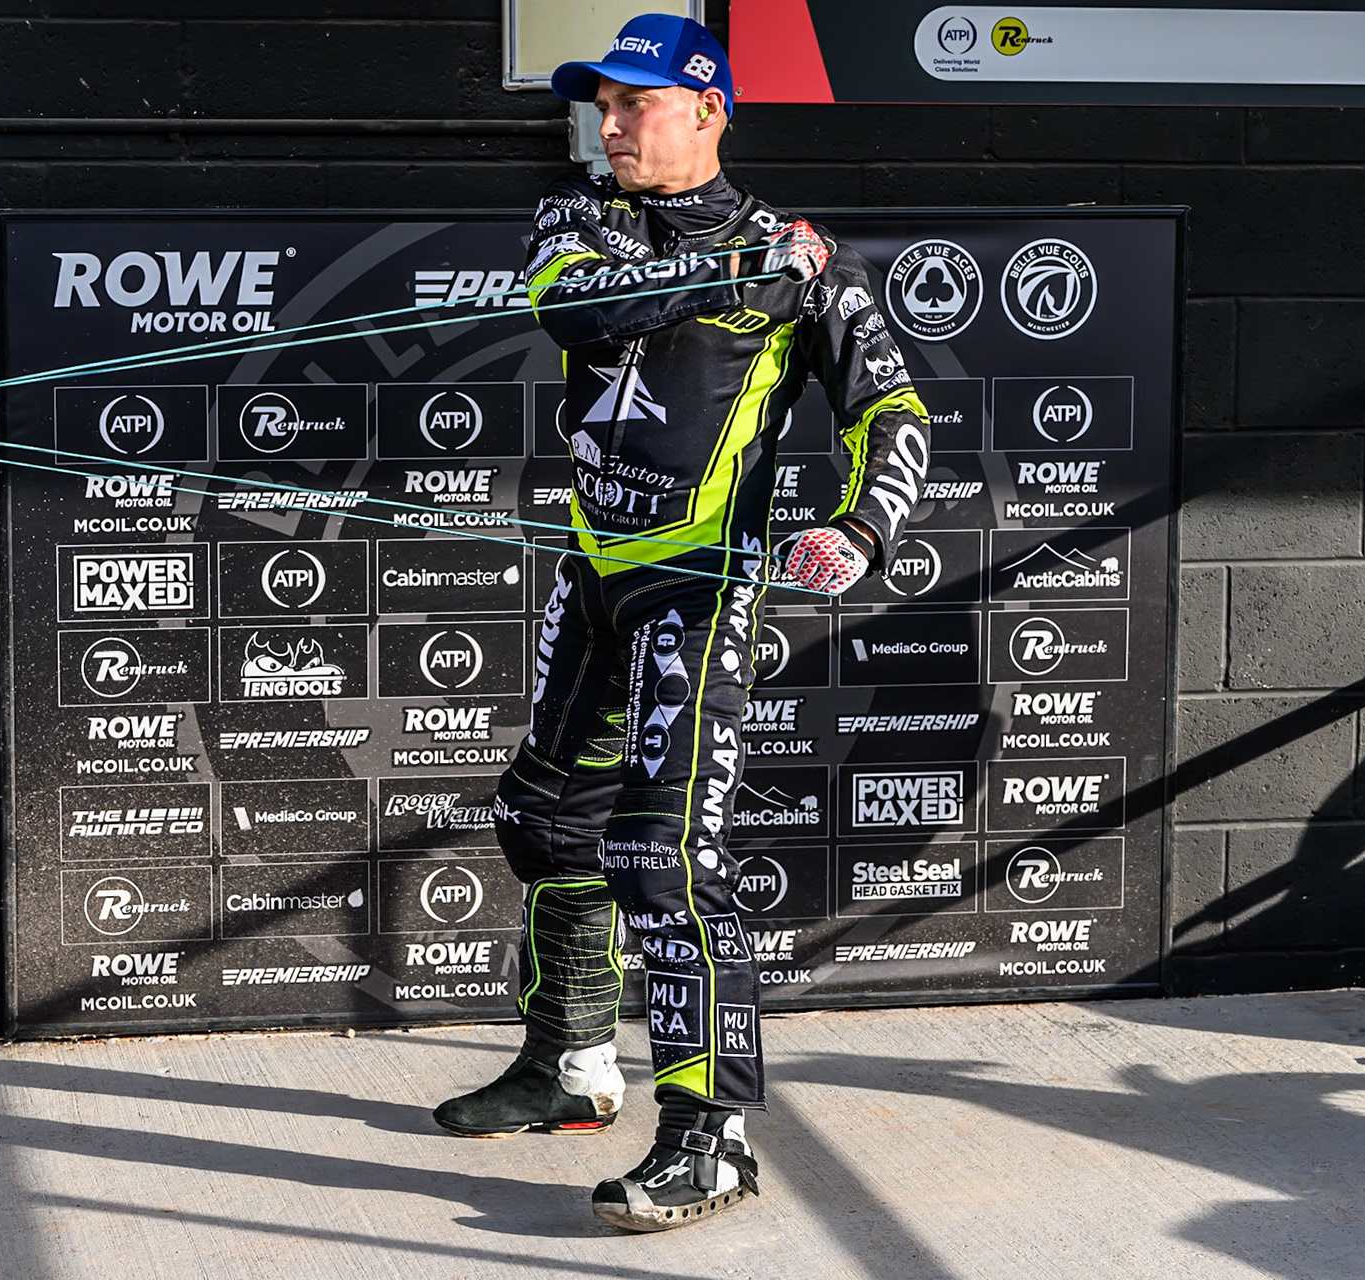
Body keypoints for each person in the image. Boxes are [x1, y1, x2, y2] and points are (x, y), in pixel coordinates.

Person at [431, 13, 933, 1232]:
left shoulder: (803, 257)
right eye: (600, 105)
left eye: (636, 105)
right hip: (596, 564)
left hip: (702, 585)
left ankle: (711, 1138)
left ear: (710, 109)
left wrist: (862, 529)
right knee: (541, 816)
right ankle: (570, 1062)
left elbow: (897, 408)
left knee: (662, 855)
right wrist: (727, 275)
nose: (609, 126)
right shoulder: (580, 210)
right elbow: (579, 310)